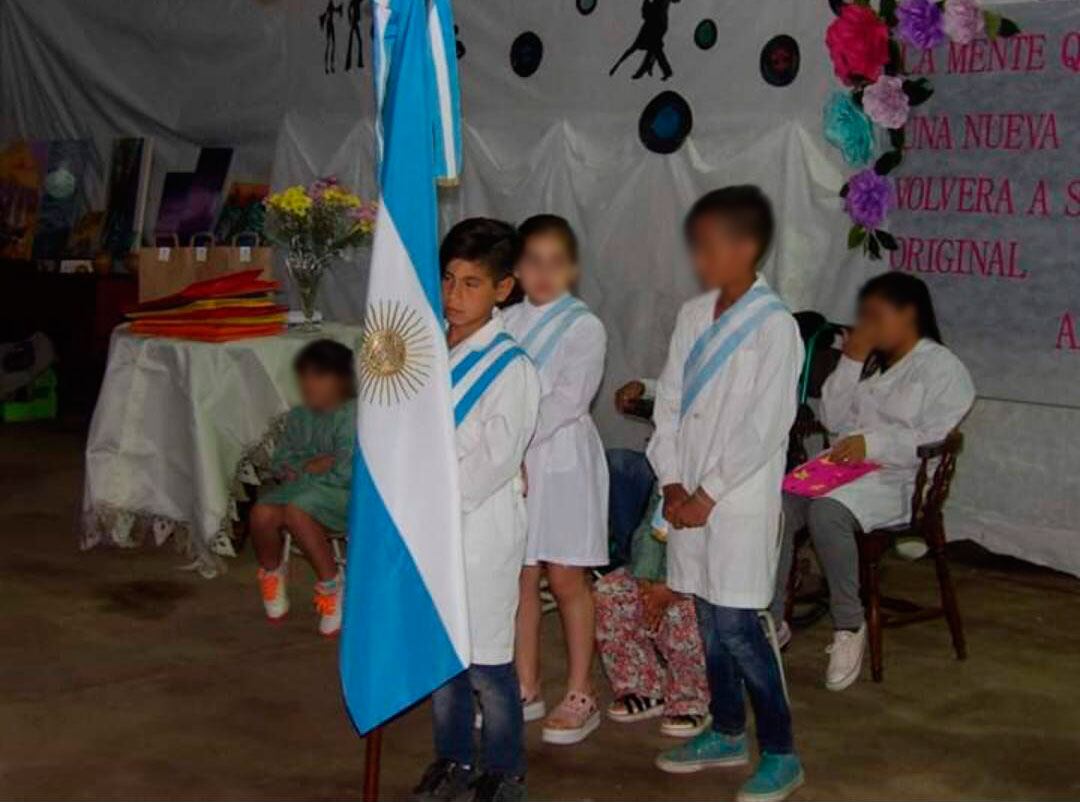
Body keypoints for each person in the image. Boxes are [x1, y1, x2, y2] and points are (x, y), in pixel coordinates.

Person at [648, 186, 805, 802]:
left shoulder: (776, 327)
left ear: (748, 247)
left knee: (739, 625)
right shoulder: (693, 316)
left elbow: (766, 426)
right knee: (708, 619)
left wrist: (706, 495)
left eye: (711, 244)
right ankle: (729, 731)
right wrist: (671, 480)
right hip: (686, 497)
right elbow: (668, 403)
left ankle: (783, 750)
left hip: (734, 503)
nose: (700, 255)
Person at [769, 272, 975, 691]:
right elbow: (834, 420)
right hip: (844, 471)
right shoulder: (873, 361)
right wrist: (850, 360)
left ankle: (849, 625)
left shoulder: (942, 368)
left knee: (828, 514)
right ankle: (772, 620)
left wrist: (874, 443)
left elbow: (935, 435)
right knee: (776, 505)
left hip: (900, 480)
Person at [411, 218, 540, 802]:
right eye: (447, 280)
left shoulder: (510, 367)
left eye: (470, 284)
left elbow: (495, 460)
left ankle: (505, 768)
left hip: (479, 527)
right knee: (444, 656)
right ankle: (454, 757)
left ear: (503, 290)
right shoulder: (426, 347)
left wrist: (436, 501)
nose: (454, 297)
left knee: (488, 661)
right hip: (430, 524)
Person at [502, 215, 608, 745]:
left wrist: (515, 443)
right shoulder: (504, 322)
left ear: (573, 269)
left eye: (556, 262)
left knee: (566, 577)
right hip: (514, 465)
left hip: (561, 457)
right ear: (517, 269)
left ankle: (581, 690)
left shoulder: (583, 326)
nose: (544, 273)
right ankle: (525, 684)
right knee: (520, 576)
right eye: (533, 262)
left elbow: (567, 399)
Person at [250, 339, 356, 637]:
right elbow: (281, 460)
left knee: (298, 510)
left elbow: (346, 471)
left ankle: (332, 583)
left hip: (344, 495)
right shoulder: (299, 416)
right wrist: (310, 466)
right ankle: (273, 573)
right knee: (261, 514)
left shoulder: (352, 416)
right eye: (305, 377)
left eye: (319, 376)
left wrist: (305, 470)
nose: (309, 384)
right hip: (304, 487)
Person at [595, 493, 710, 737]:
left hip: (708, 576)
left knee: (683, 610)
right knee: (611, 590)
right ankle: (642, 686)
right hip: (661, 573)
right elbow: (650, 530)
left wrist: (672, 585)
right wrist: (647, 579)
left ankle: (691, 697)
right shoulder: (669, 478)